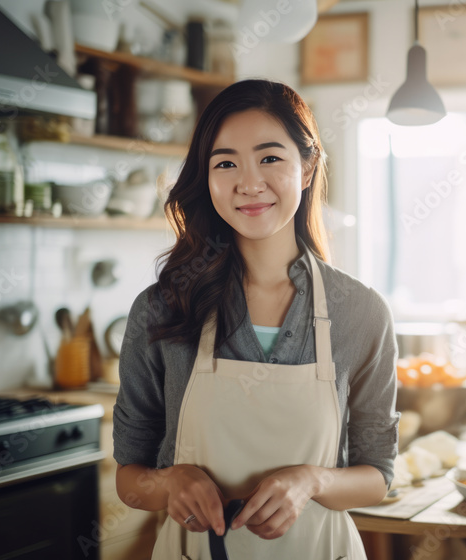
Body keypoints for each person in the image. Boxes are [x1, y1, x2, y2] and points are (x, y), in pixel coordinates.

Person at [113, 79, 399, 559]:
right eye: (226, 163)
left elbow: (378, 477)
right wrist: (171, 483)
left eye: (270, 158)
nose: (248, 182)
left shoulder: (361, 312)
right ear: (205, 178)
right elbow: (129, 481)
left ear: (307, 169)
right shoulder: (163, 308)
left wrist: (312, 480)